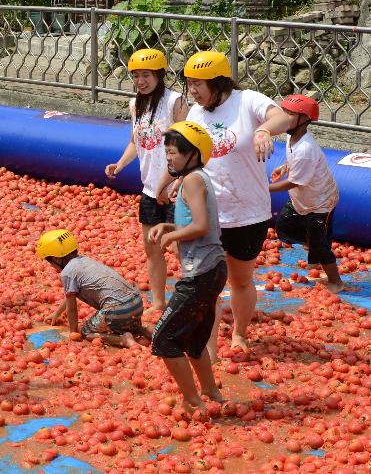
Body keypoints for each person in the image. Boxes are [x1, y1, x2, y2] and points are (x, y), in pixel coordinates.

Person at [177, 50, 290, 352]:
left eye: (198, 84)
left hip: (246, 212)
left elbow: (282, 116)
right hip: (207, 214)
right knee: (206, 286)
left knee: (240, 280)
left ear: (219, 83)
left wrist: (264, 129)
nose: (193, 91)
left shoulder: (247, 101)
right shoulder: (195, 113)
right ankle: (208, 351)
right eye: (189, 84)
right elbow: (188, 156)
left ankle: (240, 333)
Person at [148, 121, 227, 410]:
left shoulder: (193, 180)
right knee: (194, 340)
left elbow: (202, 226)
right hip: (213, 269)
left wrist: (170, 236)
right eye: (167, 152)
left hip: (202, 272)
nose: (169, 158)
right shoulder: (197, 178)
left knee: (164, 339)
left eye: (174, 153)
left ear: (193, 153)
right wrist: (169, 225)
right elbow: (193, 222)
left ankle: (193, 401)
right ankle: (211, 393)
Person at [105, 48, 188, 314]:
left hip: (176, 189)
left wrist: (176, 180)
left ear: (160, 75)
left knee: (179, 248)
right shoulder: (135, 104)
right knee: (152, 248)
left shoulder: (175, 102)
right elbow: (135, 142)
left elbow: (190, 146)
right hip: (151, 189)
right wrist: (119, 164)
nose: (141, 81)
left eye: (146, 75)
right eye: (136, 76)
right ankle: (159, 302)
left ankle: (199, 300)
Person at [268, 95, 343, 293]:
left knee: (320, 246)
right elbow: (293, 161)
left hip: (321, 201)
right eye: (284, 113)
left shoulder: (306, 149)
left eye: (290, 114)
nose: (285, 117)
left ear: (304, 120)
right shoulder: (290, 136)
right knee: (284, 229)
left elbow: (294, 182)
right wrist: (284, 167)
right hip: (302, 199)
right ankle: (315, 241)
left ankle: (336, 281)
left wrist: (263, 189)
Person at [38, 230, 150, 348]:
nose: (51, 265)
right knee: (135, 328)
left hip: (117, 310)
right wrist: (57, 313)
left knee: (87, 331)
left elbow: (72, 308)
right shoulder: (85, 260)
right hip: (136, 304)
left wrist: (73, 332)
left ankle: (123, 340)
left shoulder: (68, 272)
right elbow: (70, 296)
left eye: (49, 261)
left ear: (56, 258)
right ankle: (149, 332)